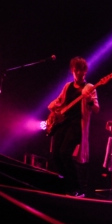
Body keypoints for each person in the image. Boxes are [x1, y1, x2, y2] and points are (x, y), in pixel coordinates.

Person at [48, 56, 99, 196]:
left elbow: (96, 109)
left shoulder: (89, 88)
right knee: (56, 155)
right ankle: (67, 185)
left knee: (64, 153)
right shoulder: (67, 86)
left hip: (77, 124)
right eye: (76, 70)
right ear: (72, 71)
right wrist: (53, 109)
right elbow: (59, 101)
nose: (79, 73)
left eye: (81, 70)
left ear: (85, 72)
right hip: (63, 122)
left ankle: (78, 188)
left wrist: (89, 100)